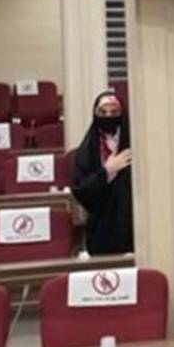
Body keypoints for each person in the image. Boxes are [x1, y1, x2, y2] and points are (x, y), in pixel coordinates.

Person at [71, 92, 134, 255]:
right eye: (103, 112)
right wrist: (107, 171)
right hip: (101, 229)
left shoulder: (134, 144)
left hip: (133, 227)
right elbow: (81, 190)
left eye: (114, 112)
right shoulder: (87, 150)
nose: (108, 116)